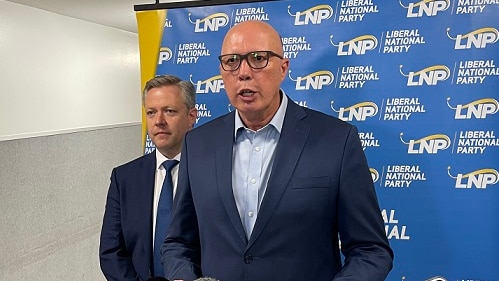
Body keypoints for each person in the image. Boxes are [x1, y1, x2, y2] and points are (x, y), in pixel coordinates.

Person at [161, 21, 393, 281]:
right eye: (232, 61)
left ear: (283, 68)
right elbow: (178, 243)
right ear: (221, 71)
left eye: (259, 59)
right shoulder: (198, 143)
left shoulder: (336, 140)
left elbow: (371, 250)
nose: (244, 72)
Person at [99, 75, 197, 280]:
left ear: (191, 116)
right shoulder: (124, 178)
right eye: (151, 113)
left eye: (169, 111)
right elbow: (111, 252)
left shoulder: (212, 172)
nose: (159, 121)